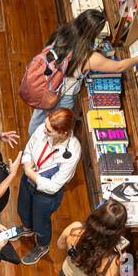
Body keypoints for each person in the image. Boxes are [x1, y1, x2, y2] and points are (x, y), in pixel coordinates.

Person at [24, 8, 138, 135]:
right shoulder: (87, 57)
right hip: (64, 94)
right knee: (58, 122)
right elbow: (119, 67)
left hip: (46, 83)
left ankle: (32, 135)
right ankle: (44, 143)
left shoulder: (63, 31)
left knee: (40, 114)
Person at [16, 107, 81, 264]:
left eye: (49, 130)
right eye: (45, 126)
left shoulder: (72, 151)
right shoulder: (43, 128)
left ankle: (42, 245)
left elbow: (54, 185)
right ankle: (27, 228)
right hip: (28, 179)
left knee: (41, 222)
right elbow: (29, 150)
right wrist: (27, 163)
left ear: (63, 133)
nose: (43, 131)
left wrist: (30, 173)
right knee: (23, 209)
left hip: (46, 195)